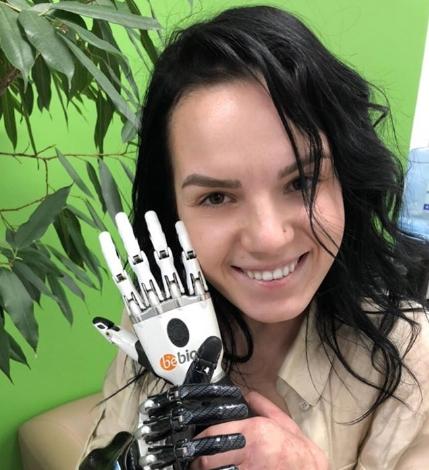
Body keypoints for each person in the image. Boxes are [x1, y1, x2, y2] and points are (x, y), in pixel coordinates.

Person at [80, 5, 429, 469]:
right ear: (172, 210)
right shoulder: (155, 321)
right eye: (217, 197)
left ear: (346, 179)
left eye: (302, 182)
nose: (268, 238)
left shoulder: (409, 360)